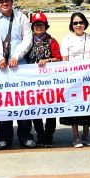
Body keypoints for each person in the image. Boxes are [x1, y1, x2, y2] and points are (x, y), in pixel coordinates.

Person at [0, 0, 34, 148]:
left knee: (23, 102)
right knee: (3, 102)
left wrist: (16, 56)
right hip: (1, 68)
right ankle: (4, 137)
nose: (4, 3)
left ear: (12, 2)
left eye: (7, 0)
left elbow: (28, 39)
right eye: (1, 1)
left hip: (19, 66)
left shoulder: (22, 18)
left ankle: (25, 136)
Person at [60, 12, 90, 147]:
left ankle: (86, 135)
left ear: (85, 23)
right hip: (73, 79)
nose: (78, 25)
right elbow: (65, 61)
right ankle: (76, 136)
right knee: (74, 109)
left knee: (88, 109)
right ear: (71, 25)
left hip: (88, 78)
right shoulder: (67, 40)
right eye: (75, 23)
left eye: (81, 22)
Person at [24, 12, 61, 147]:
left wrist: (48, 60)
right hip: (32, 82)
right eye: (36, 24)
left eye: (41, 24)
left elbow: (59, 58)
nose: (38, 27)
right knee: (36, 110)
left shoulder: (52, 41)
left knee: (51, 110)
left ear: (46, 26)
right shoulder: (28, 41)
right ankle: (40, 135)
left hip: (49, 81)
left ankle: (49, 135)